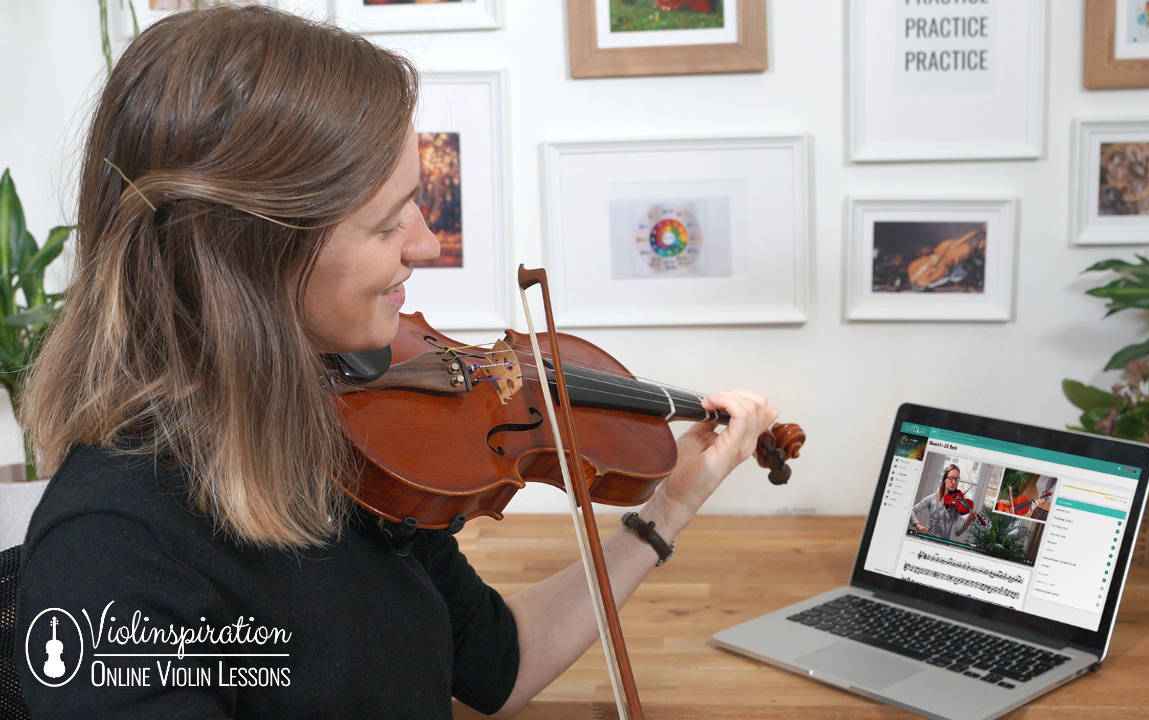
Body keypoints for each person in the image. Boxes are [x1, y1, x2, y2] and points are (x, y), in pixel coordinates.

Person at [13, 6, 777, 719]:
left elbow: (496, 663)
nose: (425, 245)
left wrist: (666, 509)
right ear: (244, 256)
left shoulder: (343, 430)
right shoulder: (111, 563)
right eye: (386, 223)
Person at [910, 464, 977, 541]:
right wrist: (918, 526)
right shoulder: (932, 498)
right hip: (927, 541)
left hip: (943, 544)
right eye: (951, 478)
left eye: (956, 479)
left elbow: (957, 532)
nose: (954, 482)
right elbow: (911, 511)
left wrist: (968, 521)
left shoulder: (956, 504)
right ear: (944, 479)